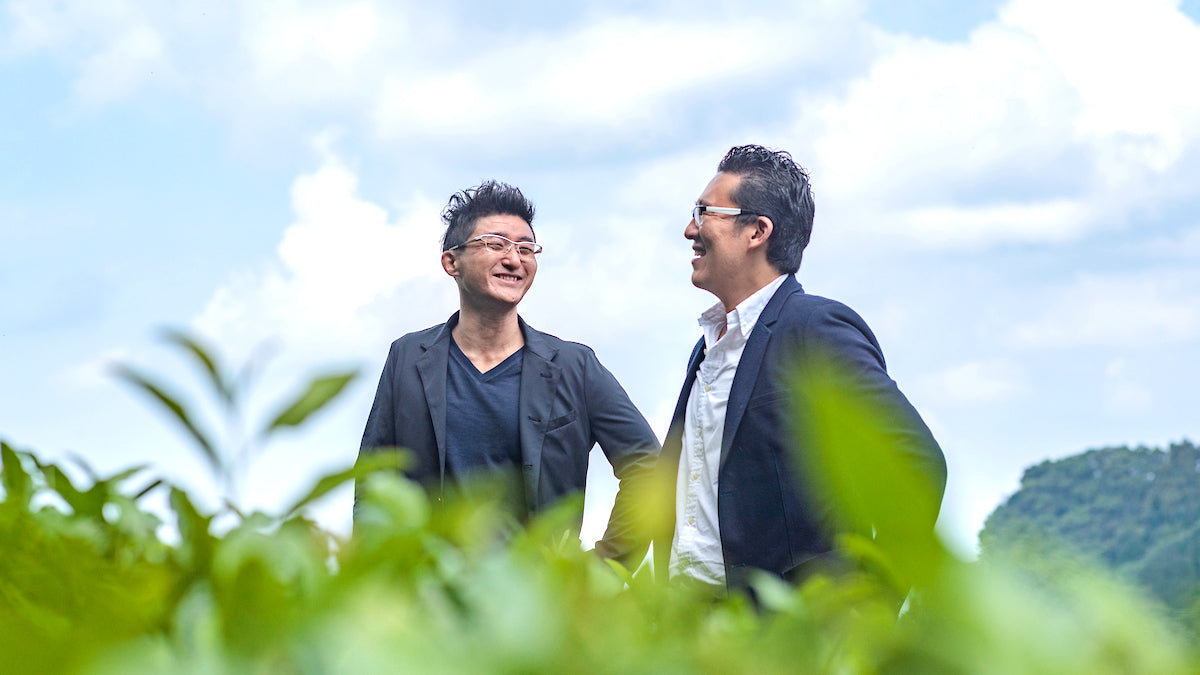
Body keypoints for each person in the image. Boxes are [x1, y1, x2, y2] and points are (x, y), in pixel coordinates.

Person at [657, 145, 947, 592]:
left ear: (757, 231)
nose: (689, 229)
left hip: (785, 639)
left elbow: (916, 463)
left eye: (703, 212)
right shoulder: (708, 348)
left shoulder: (815, 329)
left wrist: (868, 607)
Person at [357, 180, 659, 566]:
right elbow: (373, 480)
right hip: (428, 599)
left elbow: (648, 465)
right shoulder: (407, 358)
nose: (515, 259)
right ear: (452, 262)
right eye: (496, 244)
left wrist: (607, 570)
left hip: (535, 605)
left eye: (526, 248)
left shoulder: (573, 366)